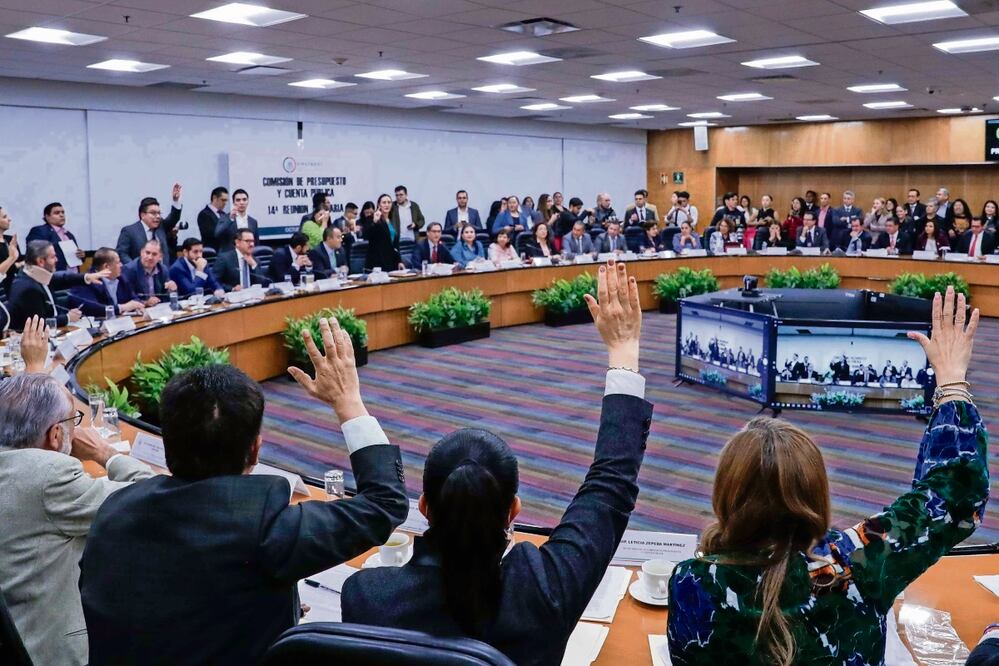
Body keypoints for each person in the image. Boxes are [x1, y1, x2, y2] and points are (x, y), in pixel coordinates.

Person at [343, 260, 653, 666]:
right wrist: (624, 351)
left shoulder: (367, 597)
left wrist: (347, 402)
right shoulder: (545, 591)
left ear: (423, 508)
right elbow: (611, 481)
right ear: (514, 510)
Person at [667, 286, 987, 666]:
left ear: (726, 494)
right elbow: (955, 494)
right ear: (817, 492)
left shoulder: (694, 582)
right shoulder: (862, 563)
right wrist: (951, 380)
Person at [80, 320, 410, 665]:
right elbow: (384, 502)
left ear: (167, 448)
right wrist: (348, 401)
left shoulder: (113, 510)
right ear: (255, 450)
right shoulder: (264, 529)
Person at [0, 365, 155, 666]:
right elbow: (152, 496)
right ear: (56, 434)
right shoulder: (50, 477)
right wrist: (105, 453)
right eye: (73, 421)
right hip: (45, 651)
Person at [8, 240, 108, 330]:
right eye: (53, 257)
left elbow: (62, 278)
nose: (57, 259)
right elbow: (39, 324)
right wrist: (68, 317)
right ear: (41, 261)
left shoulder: (35, 274)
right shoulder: (27, 288)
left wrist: (87, 277)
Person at [116, 186, 184, 266]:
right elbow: (122, 253)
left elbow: (173, 218)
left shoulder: (161, 226)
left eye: (159, 213)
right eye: (153, 213)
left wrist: (175, 201)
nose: (158, 216)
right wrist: (134, 268)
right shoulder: (129, 231)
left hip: (162, 275)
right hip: (140, 275)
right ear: (143, 215)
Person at [69, 247, 144, 317]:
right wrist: (122, 308)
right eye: (118, 262)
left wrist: (137, 306)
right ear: (106, 266)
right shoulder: (85, 283)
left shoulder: (121, 278)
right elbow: (95, 309)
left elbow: (134, 298)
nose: (121, 265)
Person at [26, 202, 85, 272]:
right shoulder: (39, 231)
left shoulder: (69, 234)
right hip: (54, 277)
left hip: (74, 277)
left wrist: (81, 255)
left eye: (63, 212)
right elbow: (35, 254)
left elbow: (76, 259)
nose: (61, 215)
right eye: (57, 213)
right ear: (47, 217)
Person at [121, 240, 178, 306]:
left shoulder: (163, 269)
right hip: (138, 311)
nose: (150, 257)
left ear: (160, 257)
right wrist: (146, 303)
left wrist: (172, 290)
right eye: (147, 253)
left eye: (154, 254)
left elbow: (166, 297)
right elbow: (127, 298)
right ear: (141, 252)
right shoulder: (129, 270)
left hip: (158, 309)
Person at [366, 194, 405, 272]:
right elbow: (368, 235)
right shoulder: (372, 218)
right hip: (378, 262)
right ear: (379, 205)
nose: (387, 205)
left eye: (389, 202)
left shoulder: (392, 220)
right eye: (384, 202)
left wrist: (399, 261)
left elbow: (395, 244)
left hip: (392, 261)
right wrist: (375, 222)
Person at [196, 186, 229, 251]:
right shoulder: (204, 214)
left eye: (226, 200)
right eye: (223, 200)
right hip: (212, 252)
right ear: (214, 198)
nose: (225, 203)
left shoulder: (224, 214)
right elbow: (212, 234)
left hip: (225, 250)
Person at [0, 205, 21, 295]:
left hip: (16, 286)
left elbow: (20, 260)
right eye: (4, 217)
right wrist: (12, 259)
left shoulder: (10, 240)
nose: (9, 219)